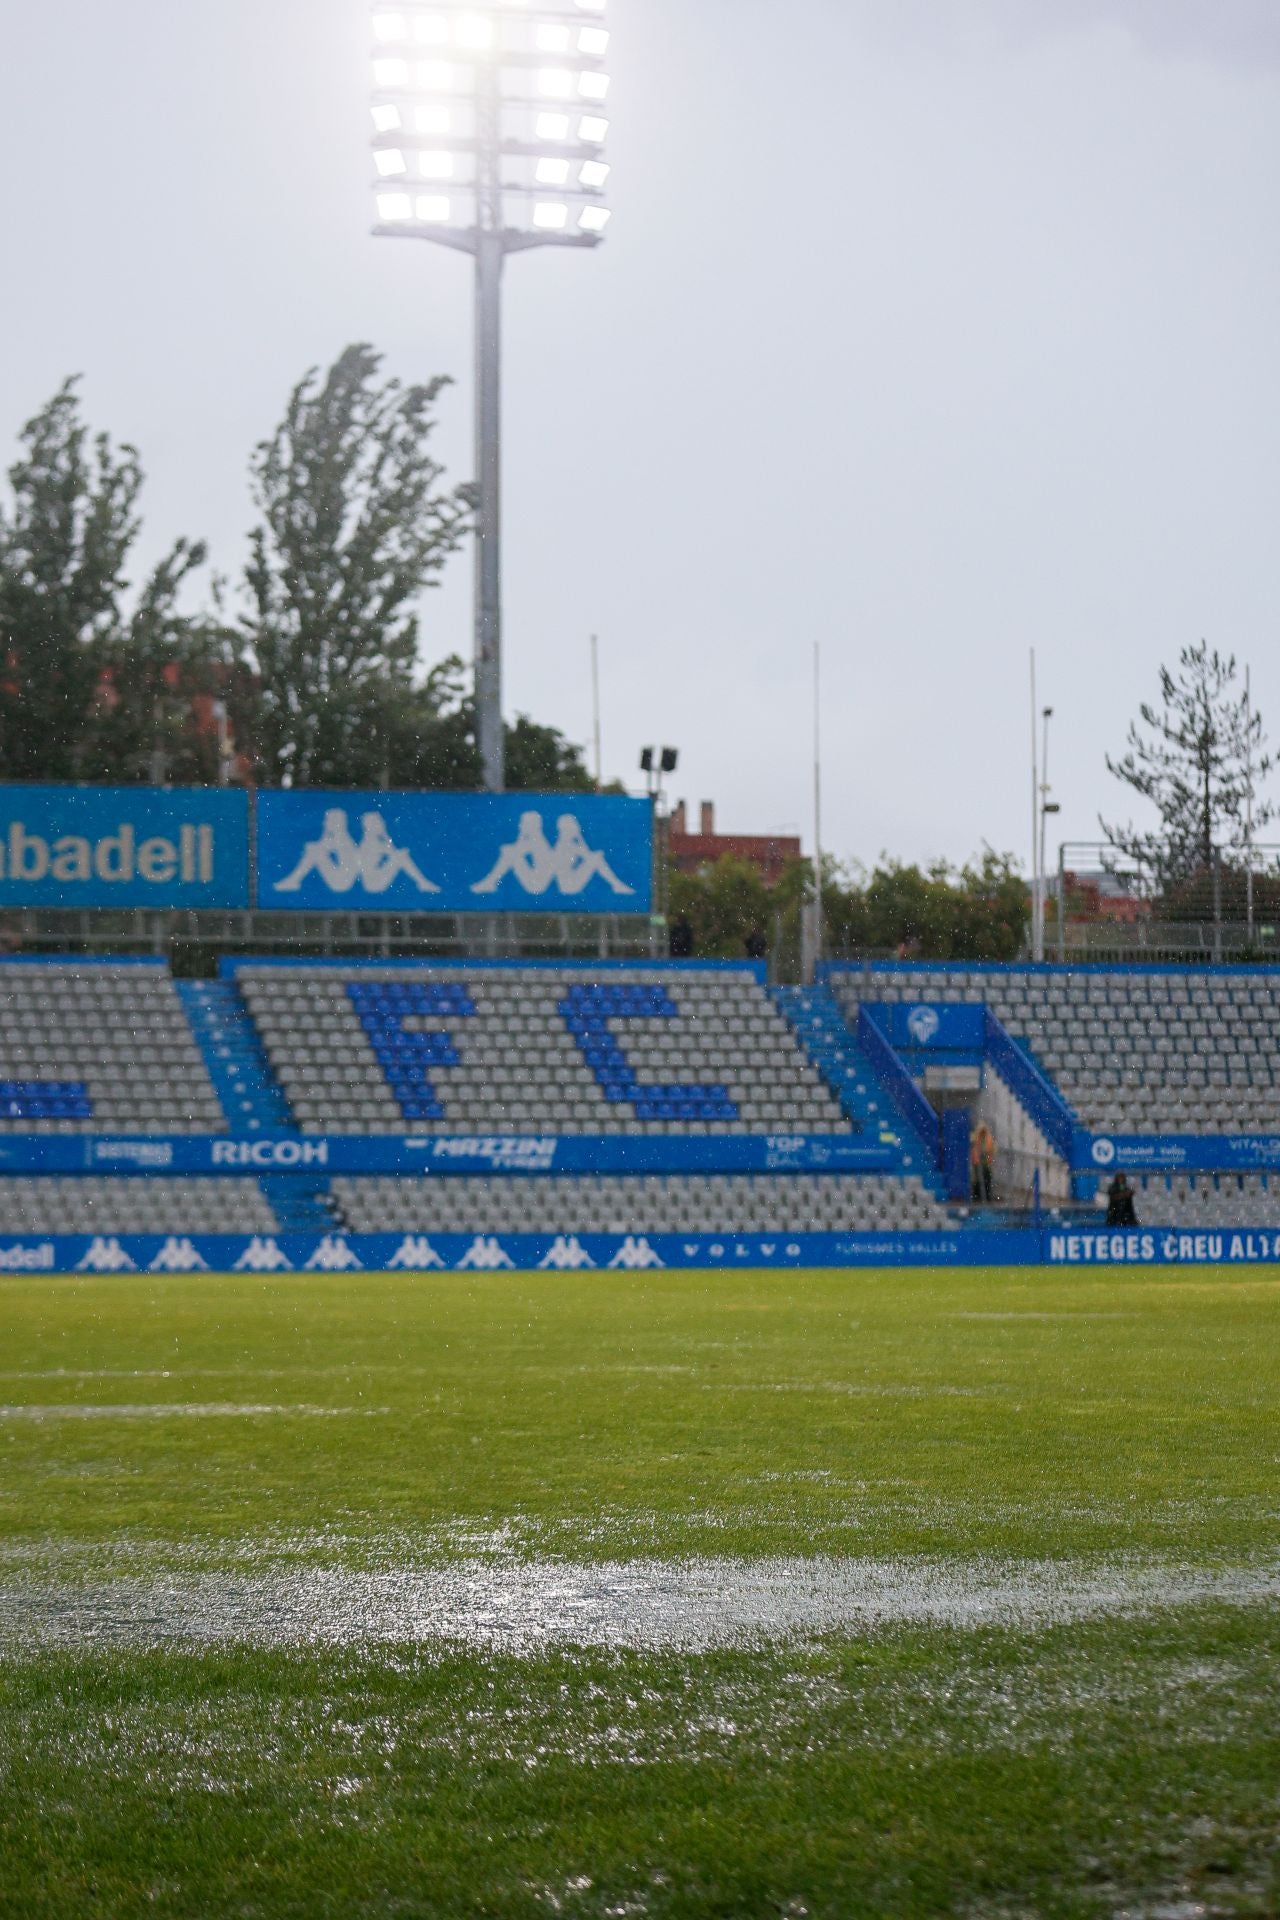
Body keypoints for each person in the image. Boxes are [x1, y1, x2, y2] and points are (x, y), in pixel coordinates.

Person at [970, 1121, 996, 1204]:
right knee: (977, 1180)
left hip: (985, 1162)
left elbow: (991, 1149)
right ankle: (978, 1196)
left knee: (986, 1179)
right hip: (978, 1162)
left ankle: (985, 1197)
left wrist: (986, 1155)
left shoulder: (987, 1138)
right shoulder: (976, 1138)